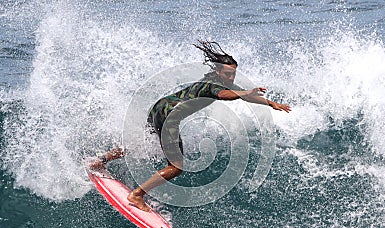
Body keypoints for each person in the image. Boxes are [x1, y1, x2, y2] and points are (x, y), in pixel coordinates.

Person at [90, 40, 291, 211]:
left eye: (233, 74)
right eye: (228, 74)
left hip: (160, 107)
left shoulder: (217, 80)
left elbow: (240, 93)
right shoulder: (213, 86)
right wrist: (245, 94)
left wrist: (270, 103)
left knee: (145, 143)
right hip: (169, 115)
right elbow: (225, 95)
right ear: (218, 71)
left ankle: (101, 160)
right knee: (177, 166)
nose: (231, 78)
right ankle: (137, 195)